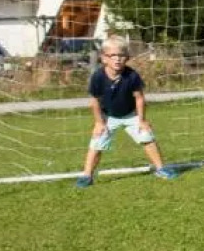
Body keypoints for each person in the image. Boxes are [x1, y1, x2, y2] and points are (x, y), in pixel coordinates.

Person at [75, 37, 179, 187]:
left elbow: (139, 98)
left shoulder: (132, 76)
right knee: (96, 143)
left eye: (121, 55)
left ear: (127, 58)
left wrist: (142, 120)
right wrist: (99, 123)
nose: (117, 59)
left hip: (131, 114)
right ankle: (87, 175)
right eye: (112, 55)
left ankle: (161, 168)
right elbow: (95, 102)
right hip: (108, 117)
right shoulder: (98, 77)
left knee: (147, 137)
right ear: (104, 58)